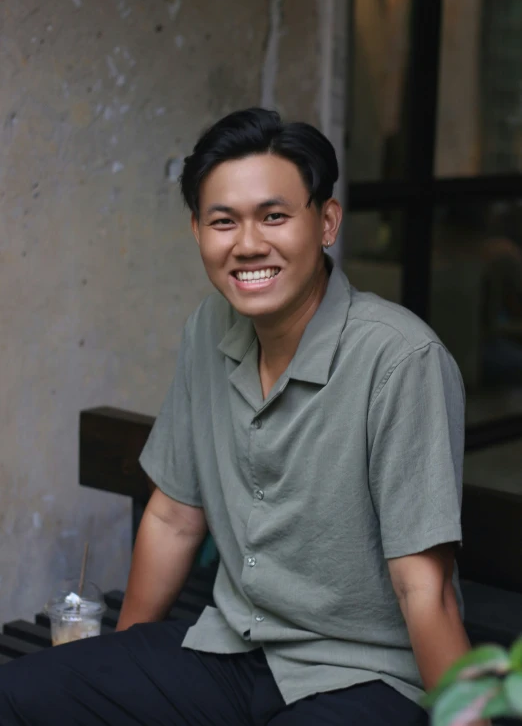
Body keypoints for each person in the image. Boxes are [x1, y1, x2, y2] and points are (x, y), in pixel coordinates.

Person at [0, 108, 476, 726]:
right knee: (20, 695)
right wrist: (117, 674)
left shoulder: (400, 359)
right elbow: (172, 517)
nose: (248, 244)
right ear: (197, 231)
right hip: (231, 648)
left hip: (366, 676)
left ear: (326, 221)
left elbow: (426, 590)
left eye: (274, 216)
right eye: (224, 221)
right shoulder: (209, 328)